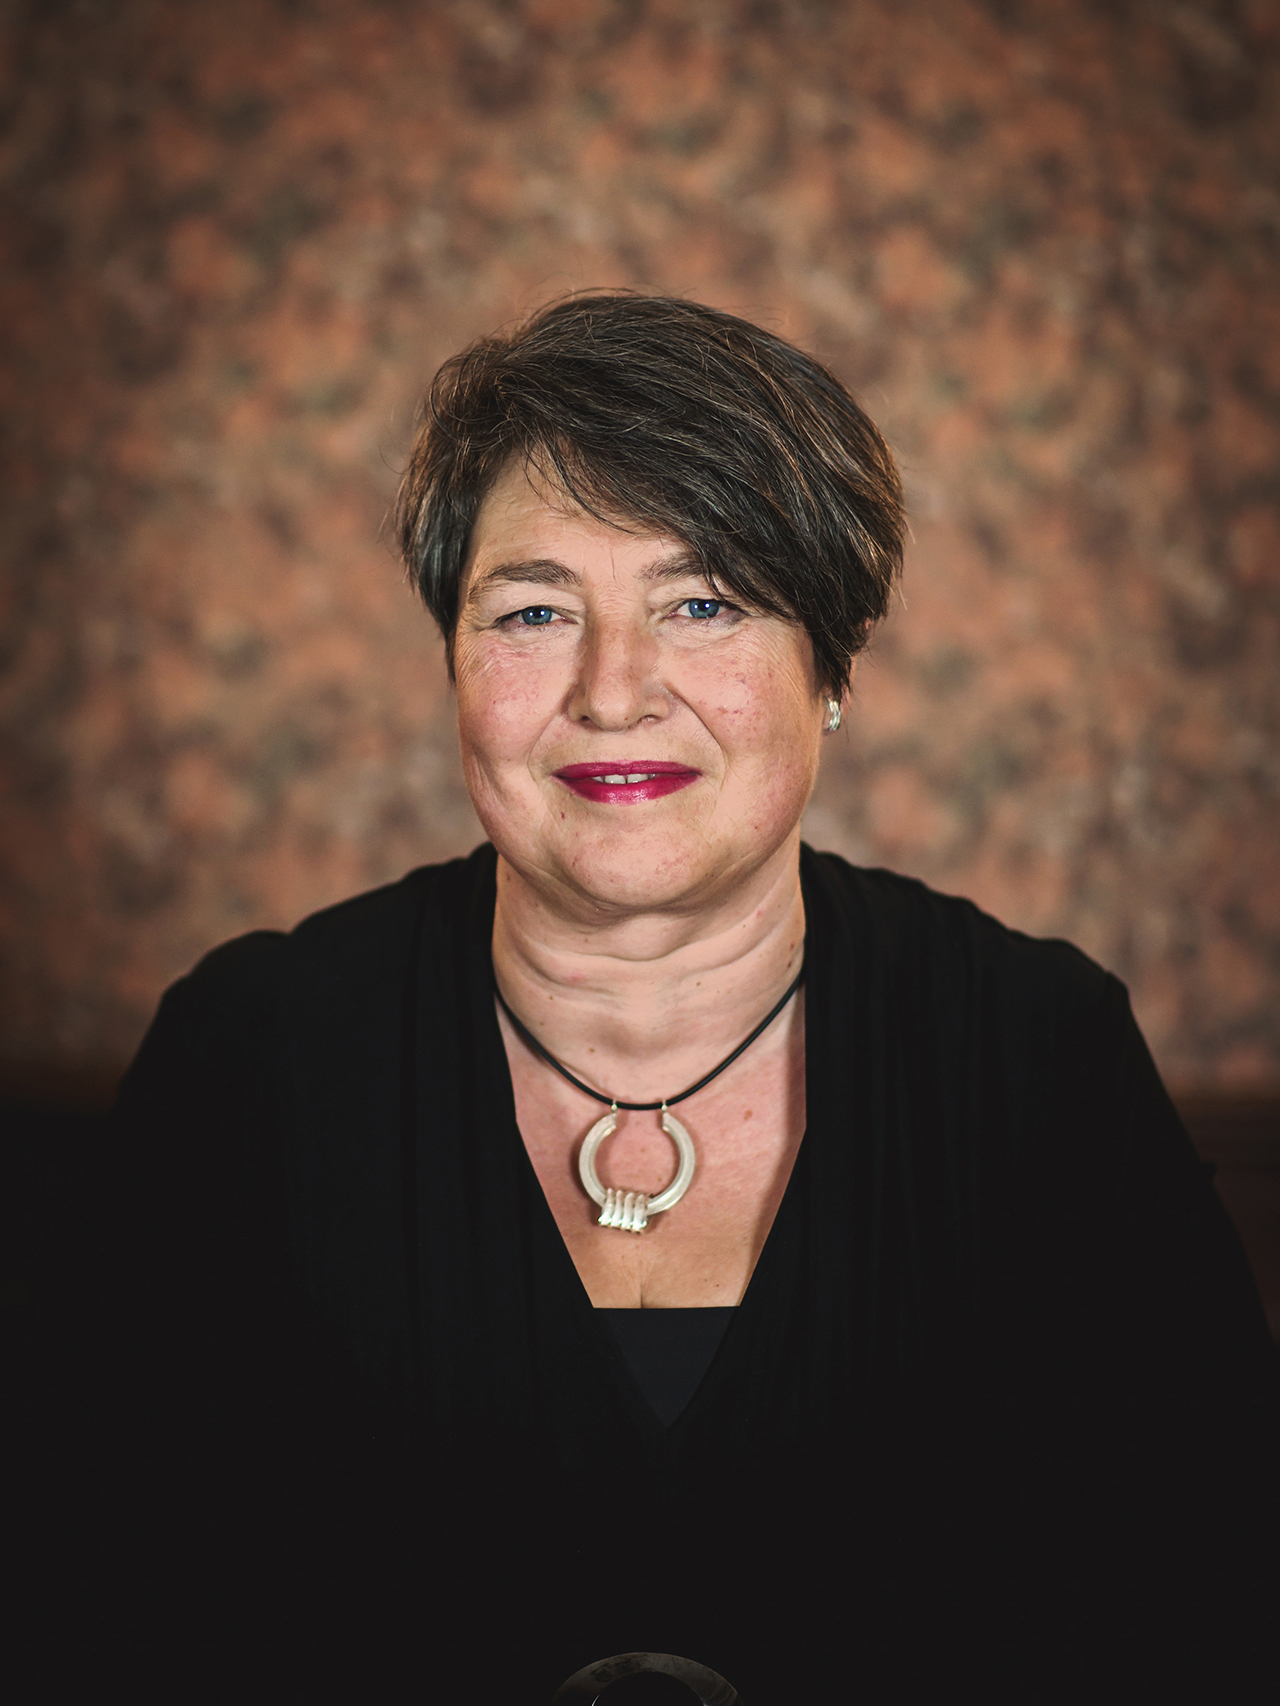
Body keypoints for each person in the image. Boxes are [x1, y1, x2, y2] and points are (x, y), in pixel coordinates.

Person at [17, 294, 1278, 1704]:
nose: (614, 692)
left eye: (704, 602)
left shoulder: (1040, 1058)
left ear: (833, 664)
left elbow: (1210, 1614)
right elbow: (87, 1613)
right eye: (535, 611)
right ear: (453, 663)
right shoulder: (251, 1056)